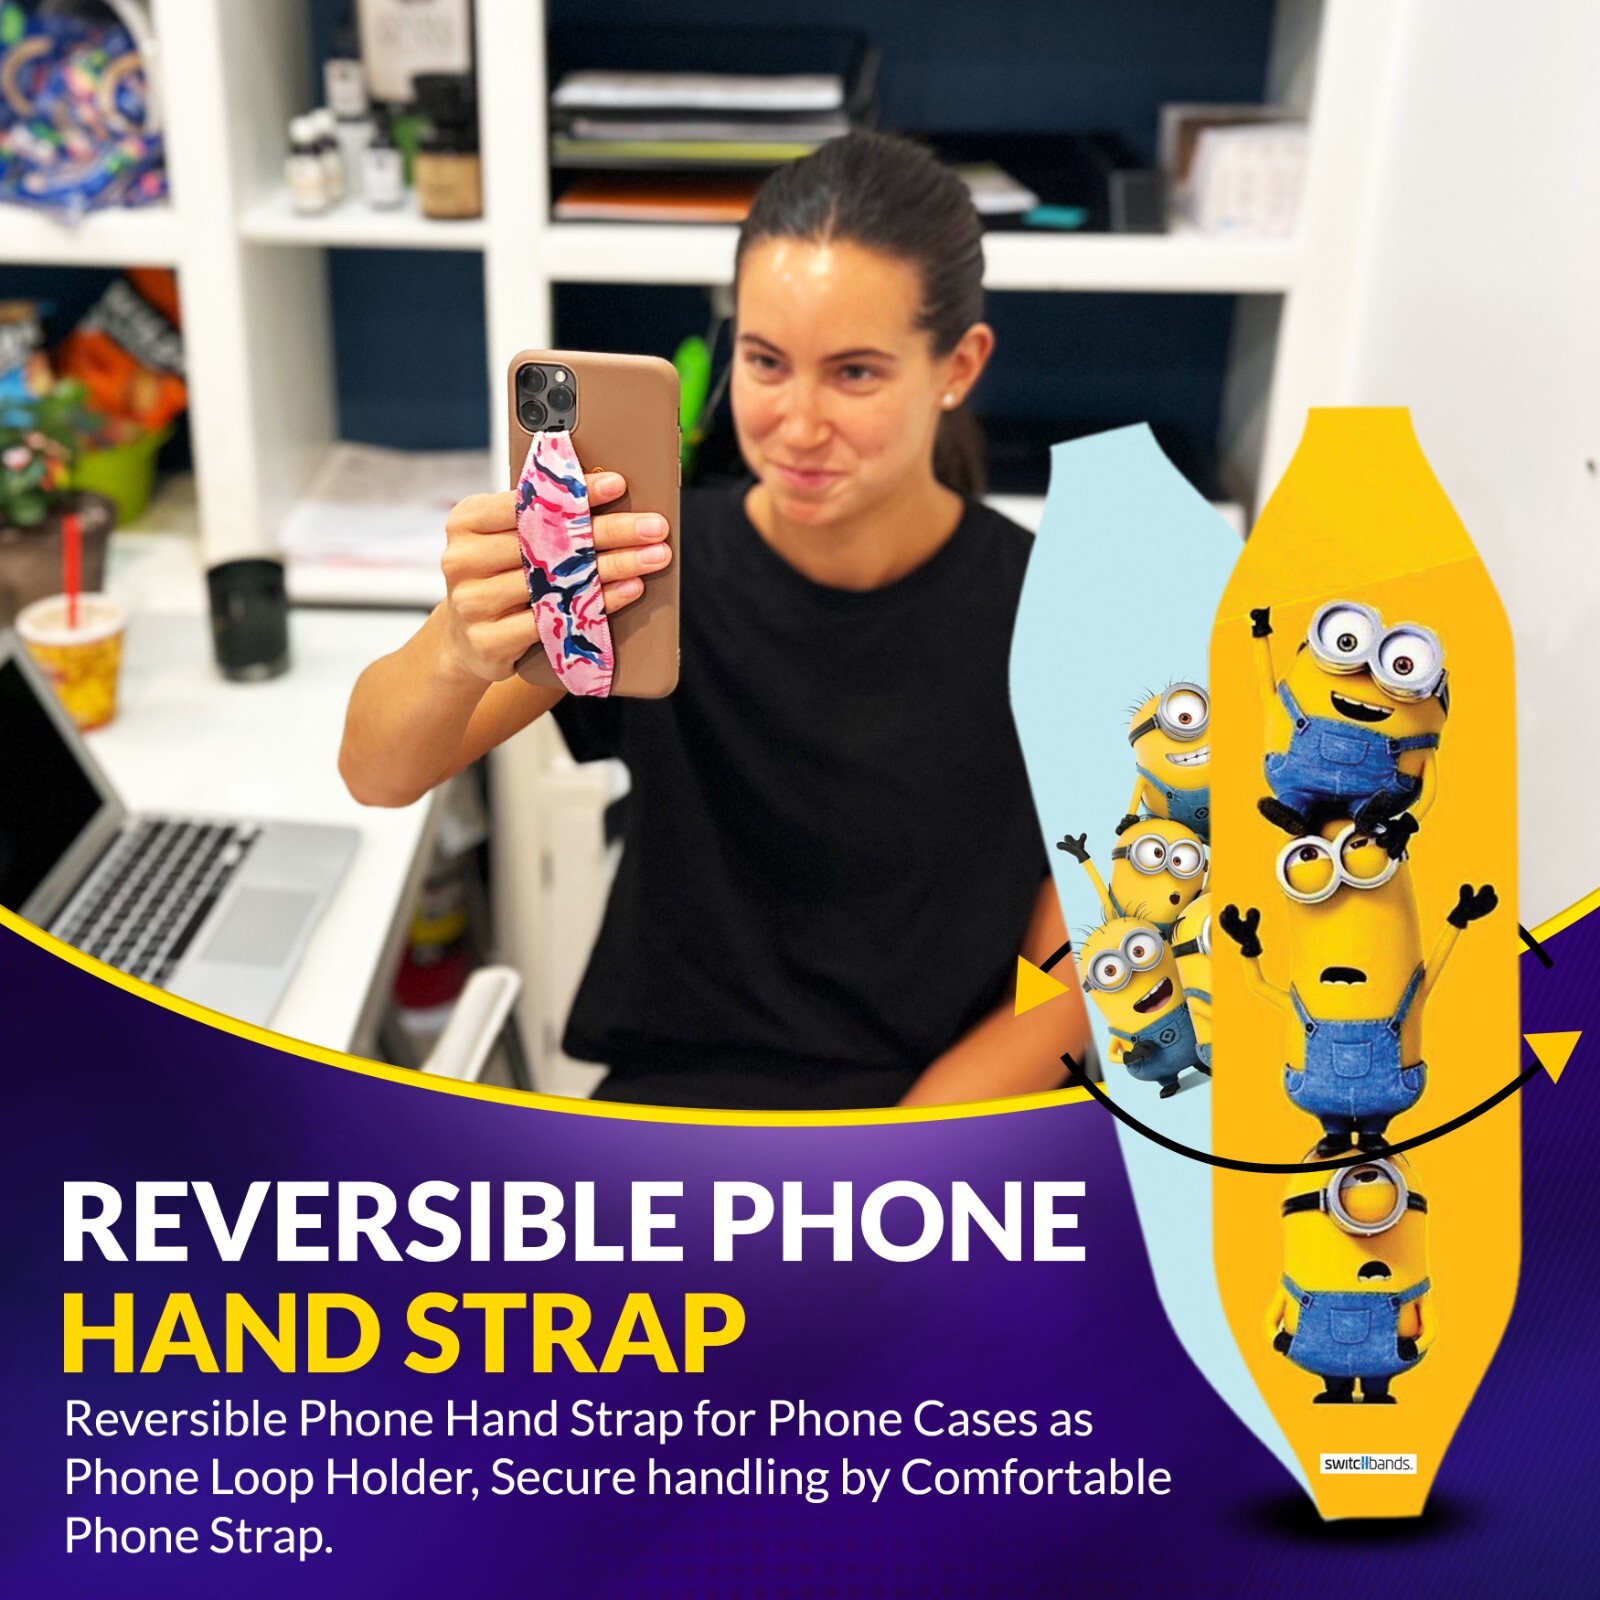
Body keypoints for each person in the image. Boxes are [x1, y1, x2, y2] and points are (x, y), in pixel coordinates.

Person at [340, 131, 1089, 1110]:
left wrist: (894, 1160)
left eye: (855, 373)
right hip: (675, 1103)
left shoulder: (1063, 615)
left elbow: (1075, 981)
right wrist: (455, 644)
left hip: (939, 1117)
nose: (798, 425)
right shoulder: (649, 564)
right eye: (765, 362)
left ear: (958, 364)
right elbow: (378, 772)